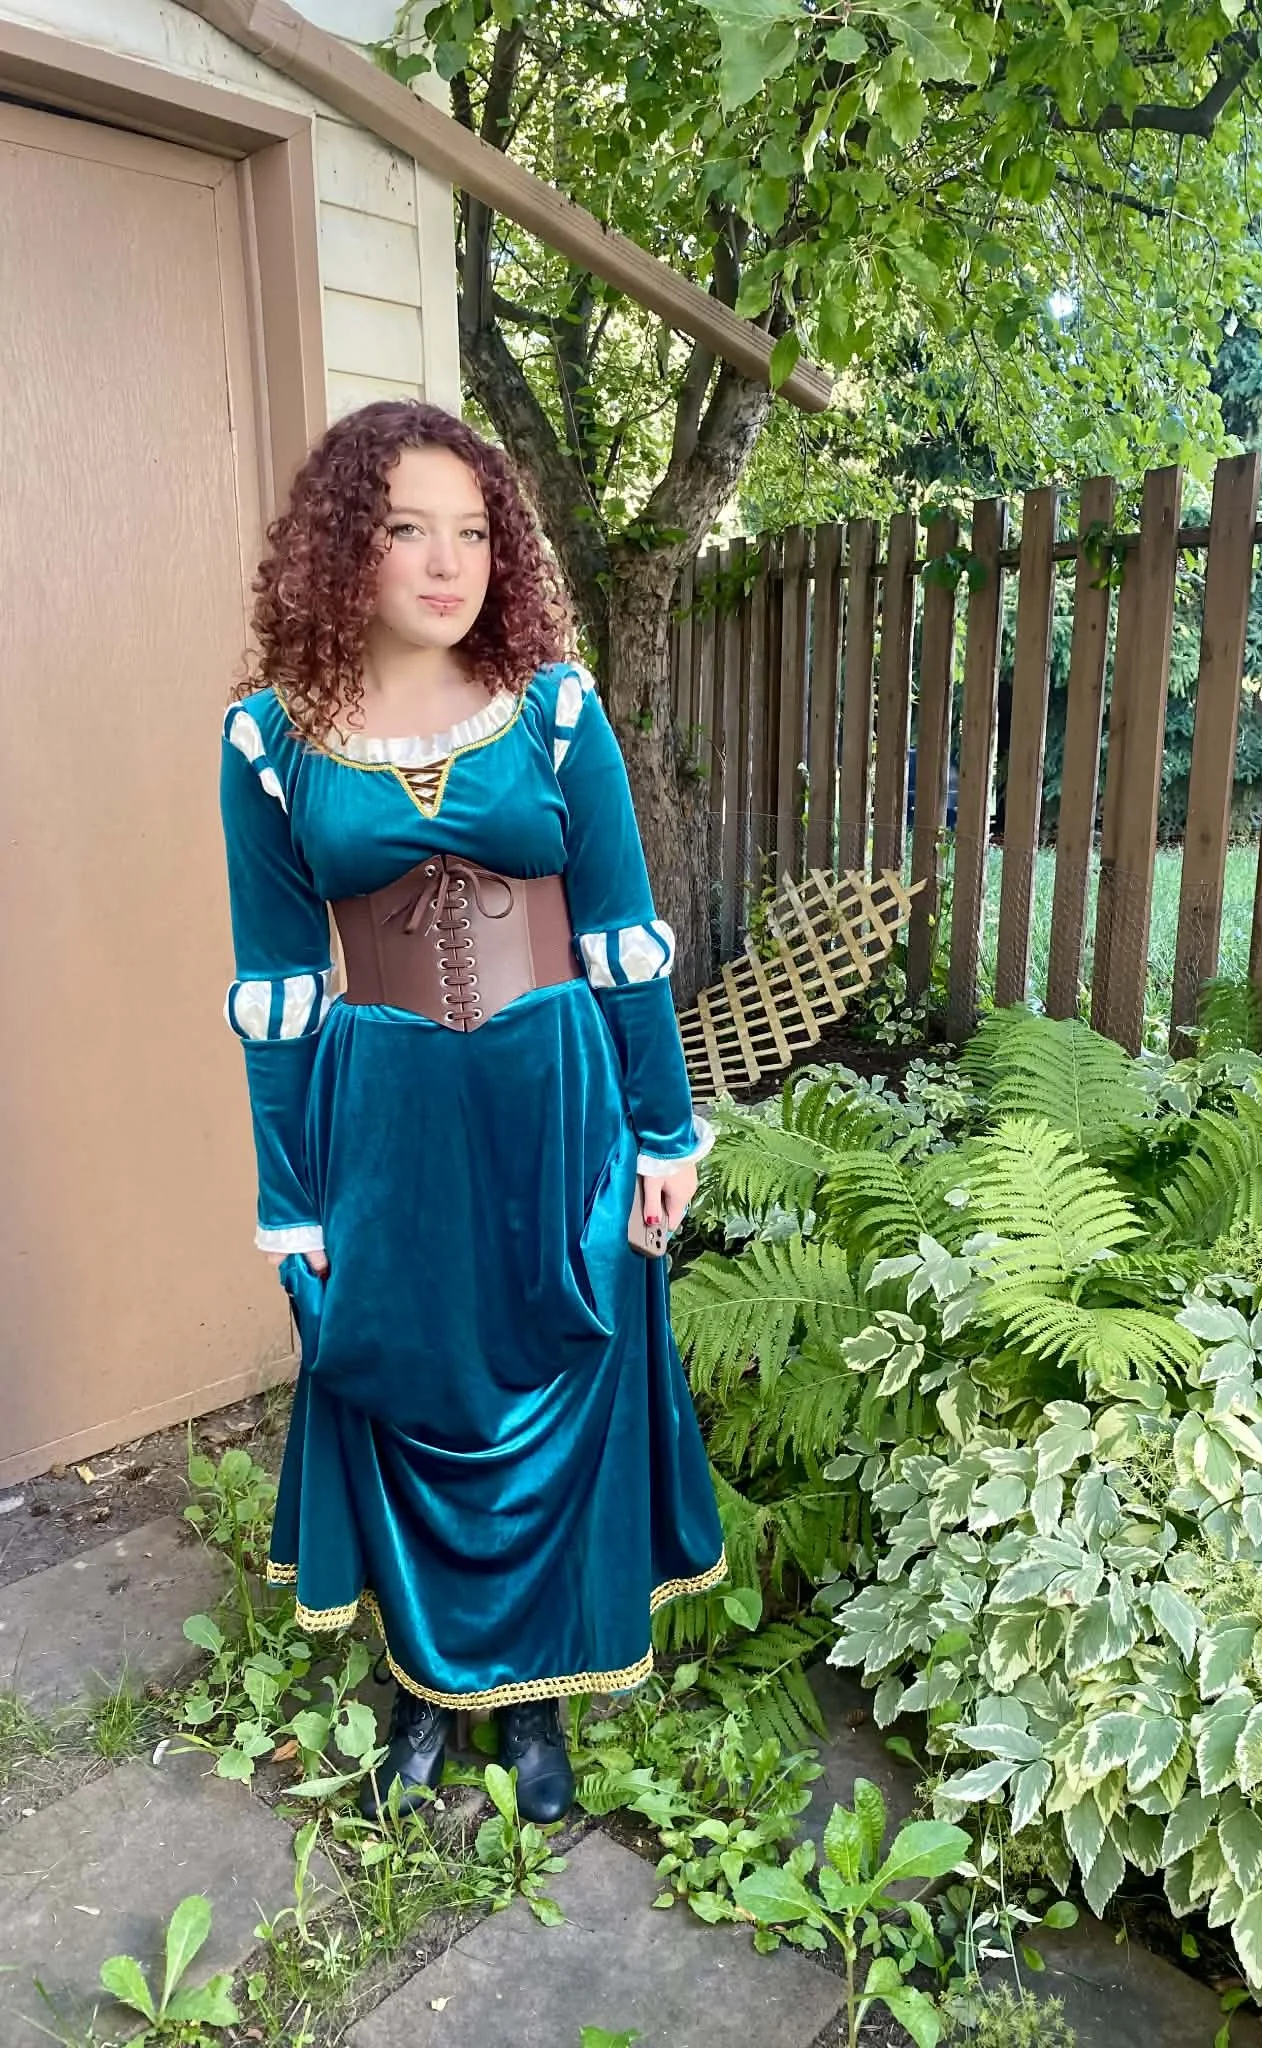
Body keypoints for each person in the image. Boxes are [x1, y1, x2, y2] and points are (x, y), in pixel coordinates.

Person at [218, 399, 725, 1825]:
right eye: (406, 531)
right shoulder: (267, 743)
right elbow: (275, 991)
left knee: (559, 1376)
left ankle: (538, 1702)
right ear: (345, 548)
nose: (448, 564)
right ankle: (426, 1689)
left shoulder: (555, 712)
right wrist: (291, 1202)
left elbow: (622, 941)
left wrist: (665, 1130)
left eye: (473, 533)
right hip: (386, 1118)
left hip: (554, 1099)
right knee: (409, 1382)